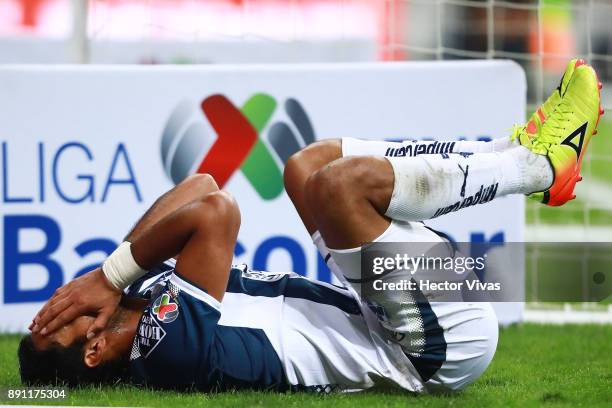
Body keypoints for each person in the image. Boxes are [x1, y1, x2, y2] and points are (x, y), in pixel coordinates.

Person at [19, 60, 602, 393]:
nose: (65, 301)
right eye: (62, 321)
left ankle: (517, 150)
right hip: (430, 349)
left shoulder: (137, 297)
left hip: (388, 312)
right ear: (94, 349)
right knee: (338, 188)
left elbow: (199, 186)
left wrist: (116, 274)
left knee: (308, 165)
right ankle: (541, 164)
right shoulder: (162, 351)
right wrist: (109, 271)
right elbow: (217, 213)